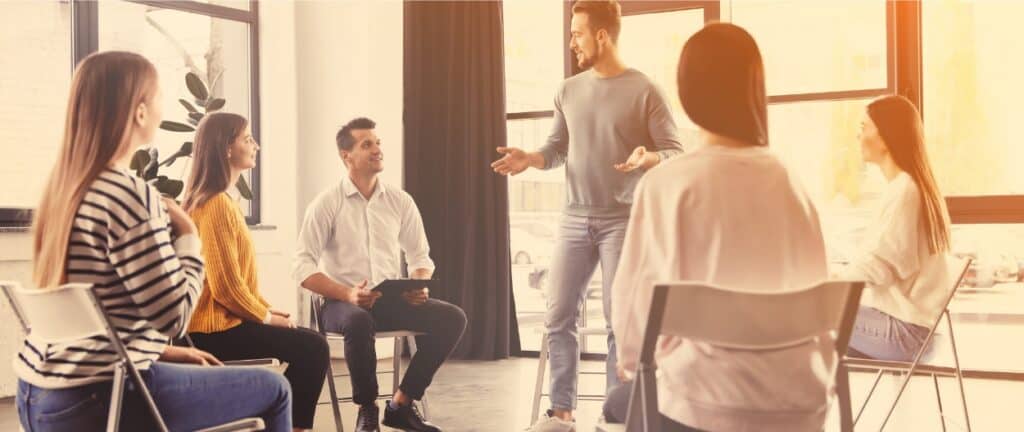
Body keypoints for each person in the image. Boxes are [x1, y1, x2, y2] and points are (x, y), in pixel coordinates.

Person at [15, 51, 291, 432]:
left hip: (39, 396)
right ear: (140, 112)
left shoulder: (63, 191)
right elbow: (174, 316)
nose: (163, 108)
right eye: (160, 96)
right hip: (106, 397)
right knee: (275, 389)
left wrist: (162, 351)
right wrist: (189, 240)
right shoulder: (129, 193)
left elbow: (98, 315)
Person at [605, 23, 832, 431]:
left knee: (619, 402)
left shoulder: (667, 183)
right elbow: (817, 297)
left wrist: (635, 360)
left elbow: (633, 319)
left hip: (703, 407)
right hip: (800, 407)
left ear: (688, 92)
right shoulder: (793, 182)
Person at [491, 1, 683, 429]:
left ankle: (616, 414)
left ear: (601, 35)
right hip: (573, 220)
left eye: (577, 33)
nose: (572, 41)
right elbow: (556, 150)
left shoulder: (645, 89)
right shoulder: (568, 90)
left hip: (623, 220)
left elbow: (675, 151)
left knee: (621, 320)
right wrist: (531, 158)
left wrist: (647, 156)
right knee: (558, 315)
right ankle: (562, 413)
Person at [294, 117, 467, 432]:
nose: (377, 149)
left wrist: (418, 282)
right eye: (366, 144)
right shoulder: (326, 203)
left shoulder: (399, 200)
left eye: (378, 142)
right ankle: (367, 409)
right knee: (359, 320)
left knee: (453, 317)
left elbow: (420, 255)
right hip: (340, 305)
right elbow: (302, 267)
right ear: (347, 156)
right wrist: (348, 294)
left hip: (389, 300)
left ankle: (400, 404)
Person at [182, 112, 330, 432]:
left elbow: (239, 280)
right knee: (314, 348)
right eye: (247, 139)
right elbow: (226, 288)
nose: (256, 145)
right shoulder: (217, 204)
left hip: (219, 326)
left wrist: (267, 309)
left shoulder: (221, 201)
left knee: (307, 343)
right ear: (226, 149)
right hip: (211, 333)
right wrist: (265, 317)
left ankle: (280, 421)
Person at [843, 95, 952, 361]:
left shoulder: (905, 191)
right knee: (814, 334)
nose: (859, 137)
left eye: (863, 128)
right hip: (916, 330)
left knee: (810, 315)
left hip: (908, 335)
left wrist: (824, 283)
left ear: (886, 136)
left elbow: (881, 267)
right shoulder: (907, 187)